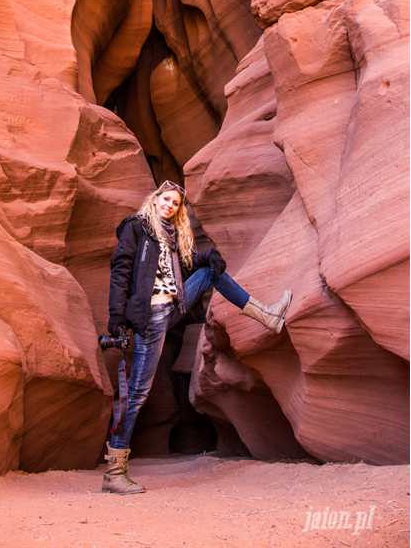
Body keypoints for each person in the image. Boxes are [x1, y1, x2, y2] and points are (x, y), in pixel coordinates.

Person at [102, 180, 291, 494]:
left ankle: (265, 315)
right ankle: (114, 472)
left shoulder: (172, 237)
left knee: (210, 270)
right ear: (155, 198)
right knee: (136, 393)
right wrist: (116, 316)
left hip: (173, 307)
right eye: (167, 200)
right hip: (150, 317)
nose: (170, 206)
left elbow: (179, 271)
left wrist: (204, 259)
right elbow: (121, 268)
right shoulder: (137, 228)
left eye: (176, 204)